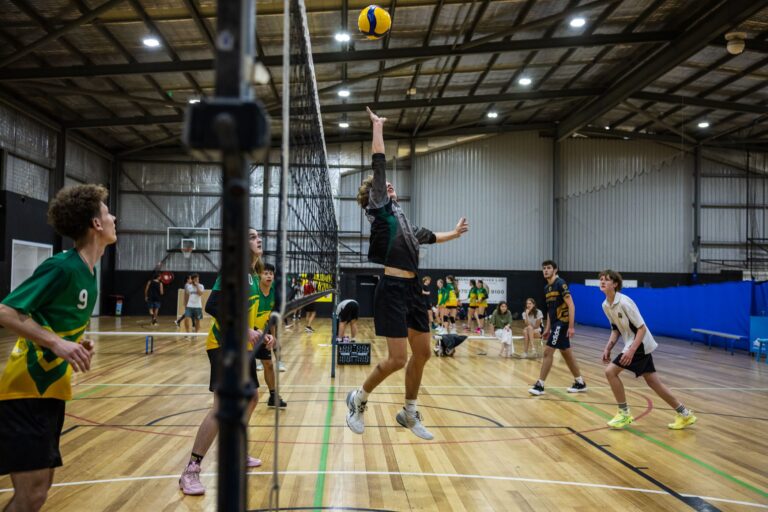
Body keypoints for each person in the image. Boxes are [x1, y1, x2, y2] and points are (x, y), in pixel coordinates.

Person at [345, 107, 469, 440]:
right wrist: (378, 127)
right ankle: (359, 398)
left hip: (414, 290)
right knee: (398, 359)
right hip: (393, 290)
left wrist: (454, 234)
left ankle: (409, 411)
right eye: (384, 185)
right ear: (378, 193)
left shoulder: (404, 222)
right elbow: (379, 160)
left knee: (425, 352)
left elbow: (430, 235)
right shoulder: (380, 208)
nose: (390, 185)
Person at [0, 184, 116, 512]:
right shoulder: (62, 267)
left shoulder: (88, 274)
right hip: (24, 392)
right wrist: (57, 343)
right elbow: (6, 311)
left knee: (40, 491)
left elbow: (51, 325)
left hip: (51, 393)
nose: (113, 217)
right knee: (32, 495)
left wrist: (75, 343)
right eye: (107, 212)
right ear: (96, 224)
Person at [178, 228, 274, 496]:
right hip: (222, 345)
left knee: (253, 396)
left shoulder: (254, 277)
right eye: (252, 236)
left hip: (241, 347)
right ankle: (191, 470)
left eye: (258, 236)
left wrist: (261, 334)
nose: (258, 239)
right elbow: (214, 307)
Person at [598, 270, 697, 430]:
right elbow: (615, 329)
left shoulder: (624, 302)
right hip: (631, 344)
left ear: (615, 284)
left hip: (639, 344)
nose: (602, 282)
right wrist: (608, 347)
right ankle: (685, 414)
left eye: (607, 280)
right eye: (601, 280)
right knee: (653, 382)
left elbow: (642, 328)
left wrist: (631, 351)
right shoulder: (605, 305)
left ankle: (624, 413)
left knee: (610, 372)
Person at [529, 260, 587, 396]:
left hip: (563, 323)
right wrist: (548, 328)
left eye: (548, 268)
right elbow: (550, 310)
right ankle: (580, 382)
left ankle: (540, 385)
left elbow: (571, 305)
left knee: (548, 352)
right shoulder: (546, 288)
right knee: (566, 353)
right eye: (544, 268)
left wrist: (571, 327)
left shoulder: (560, 283)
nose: (546, 270)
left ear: (555, 270)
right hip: (555, 324)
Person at [252, 263, 287, 407]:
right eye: (265, 273)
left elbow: (271, 318)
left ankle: (273, 396)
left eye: (271, 274)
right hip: (247, 331)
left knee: (268, 364)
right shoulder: (253, 289)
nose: (268, 276)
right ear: (259, 275)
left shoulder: (274, 292)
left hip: (262, 332)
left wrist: (274, 338)